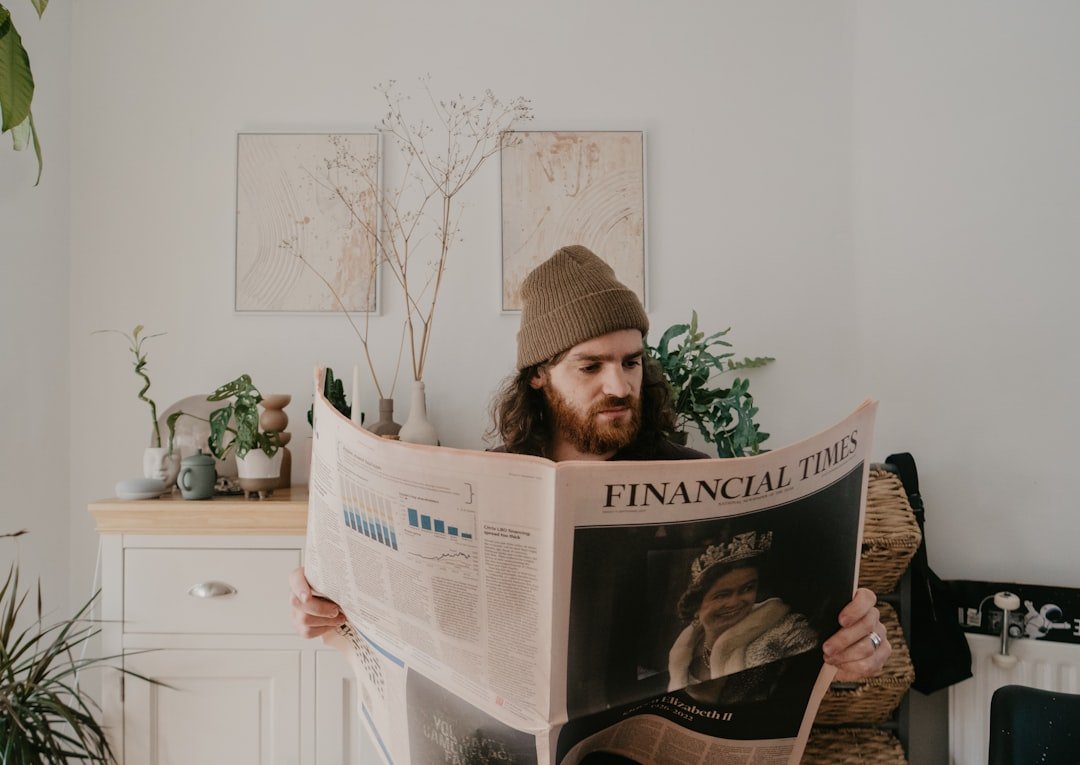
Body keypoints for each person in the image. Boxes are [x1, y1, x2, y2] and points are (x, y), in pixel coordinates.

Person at [289, 244, 891, 685]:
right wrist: (325, 608)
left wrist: (851, 654)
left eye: (631, 362)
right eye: (591, 365)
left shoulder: (697, 481)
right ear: (538, 375)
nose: (619, 385)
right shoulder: (480, 485)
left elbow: (781, 640)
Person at [667, 531, 819, 704]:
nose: (735, 603)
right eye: (722, 595)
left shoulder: (786, 630)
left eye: (747, 589)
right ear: (696, 605)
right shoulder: (683, 650)